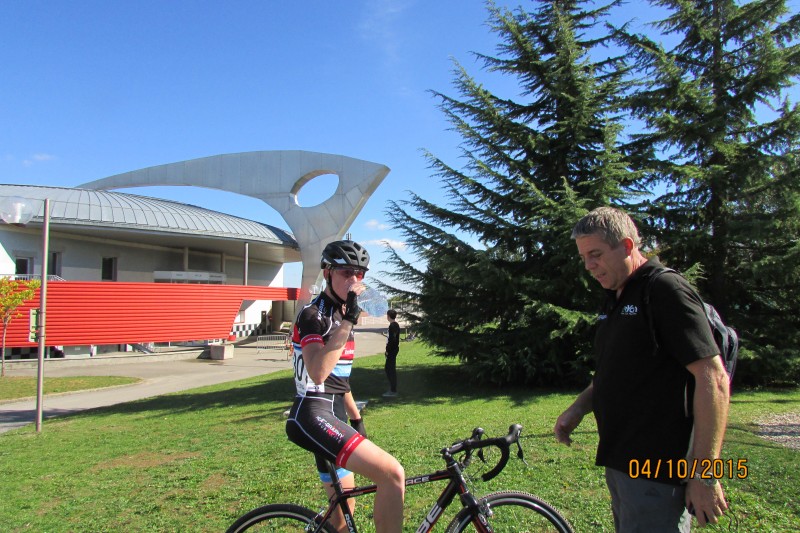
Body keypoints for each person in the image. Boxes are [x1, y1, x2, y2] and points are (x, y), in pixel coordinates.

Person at [554, 207, 730, 532]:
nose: (589, 266)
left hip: (657, 471)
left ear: (627, 246)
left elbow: (713, 378)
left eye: (595, 254)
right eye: (583, 257)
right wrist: (579, 408)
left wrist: (705, 474)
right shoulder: (617, 296)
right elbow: (619, 371)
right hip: (621, 463)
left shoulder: (664, 290)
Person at [286, 239, 405, 533]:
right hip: (312, 415)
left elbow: (340, 381)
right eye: (345, 272)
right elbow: (318, 373)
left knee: (342, 518)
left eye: (359, 274)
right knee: (391, 474)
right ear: (327, 272)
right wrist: (350, 320)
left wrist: (356, 418)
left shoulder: (340, 316)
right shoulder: (314, 315)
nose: (354, 280)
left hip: (335, 415)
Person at [382, 309, 400, 397]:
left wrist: (388, 350)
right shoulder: (394, 325)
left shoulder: (393, 326)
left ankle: (393, 390)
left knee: (390, 369)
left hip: (392, 350)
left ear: (388, 316)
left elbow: (392, 339)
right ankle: (392, 388)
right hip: (393, 349)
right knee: (388, 368)